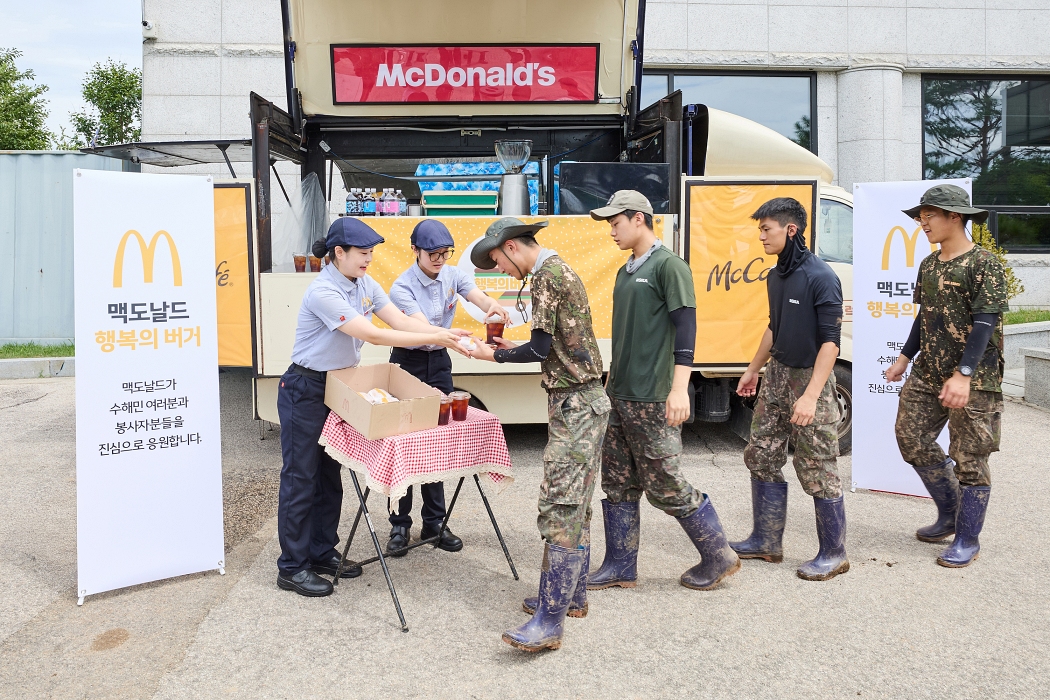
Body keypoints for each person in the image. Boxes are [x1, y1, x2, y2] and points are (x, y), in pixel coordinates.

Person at [276, 217, 469, 598]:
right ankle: (292, 567)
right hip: (305, 388)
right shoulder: (322, 291)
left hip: (338, 386)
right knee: (302, 478)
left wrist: (442, 333)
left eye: (371, 253)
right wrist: (439, 335)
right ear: (338, 254)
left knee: (330, 474)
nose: (368, 259)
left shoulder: (363, 282)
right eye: (362, 253)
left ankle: (321, 551)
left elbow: (396, 318)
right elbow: (375, 334)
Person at [467, 217, 609, 653]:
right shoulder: (557, 269)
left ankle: (549, 621)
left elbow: (539, 349)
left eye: (497, 262)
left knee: (561, 504)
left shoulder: (546, 276)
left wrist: (496, 355)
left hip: (576, 404)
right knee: (577, 504)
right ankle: (573, 597)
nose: (503, 272)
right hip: (585, 400)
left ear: (511, 247)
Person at [587, 190, 740, 593]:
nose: (612, 232)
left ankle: (718, 554)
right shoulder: (625, 271)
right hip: (620, 394)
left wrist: (680, 389)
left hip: (654, 396)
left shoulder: (669, 266)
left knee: (665, 481)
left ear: (639, 218)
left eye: (615, 223)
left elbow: (686, 330)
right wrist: (611, 379)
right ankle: (620, 565)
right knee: (617, 481)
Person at [885, 185, 1007, 568]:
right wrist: (905, 357)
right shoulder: (930, 264)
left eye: (929, 216)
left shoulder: (984, 263)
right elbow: (925, 316)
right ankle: (950, 513)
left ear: (956, 216)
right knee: (911, 436)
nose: (922, 224)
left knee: (969, 456)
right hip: (928, 370)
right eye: (920, 217)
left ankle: (967, 539)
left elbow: (986, 323)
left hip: (973, 376)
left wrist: (964, 374)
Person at [732, 197, 848, 581]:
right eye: (761, 229)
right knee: (761, 454)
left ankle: (834, 553)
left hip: (809, 377)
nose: (761, 236)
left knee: (817, 464)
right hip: (778, 374)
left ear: (791, 230)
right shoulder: (775, 274)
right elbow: (773, 326)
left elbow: (831, 341)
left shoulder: (822, 277)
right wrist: (753, 370)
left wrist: (812, 395)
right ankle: (766, 541)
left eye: (767, 229)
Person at [384, 219, 510, 557]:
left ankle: (435, 522)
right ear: (415, 251)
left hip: (439, 362)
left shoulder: (453, 274)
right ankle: (399, 524)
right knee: (405, 439)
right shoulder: (402, 287)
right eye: (433, 254)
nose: (440, 259)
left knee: (438, 437)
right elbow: (423, 328)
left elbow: (476, 295)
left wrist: (492, 307)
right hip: (408, 362)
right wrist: (456, 340)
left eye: (445, 253)